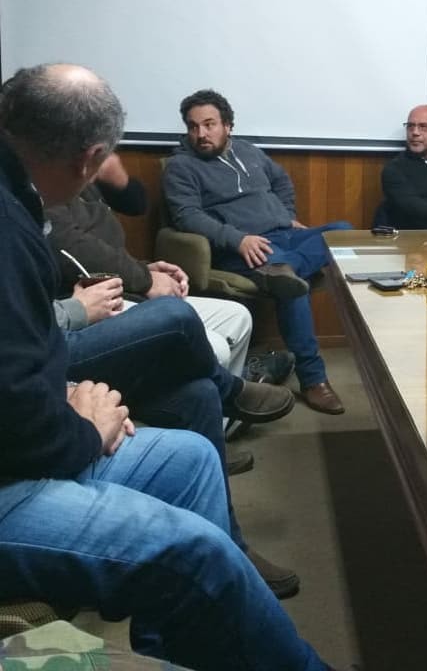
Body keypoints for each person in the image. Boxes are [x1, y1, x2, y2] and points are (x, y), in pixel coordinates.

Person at [0, 63, 339, 671]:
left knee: (193, 448)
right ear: (90, 158)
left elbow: (18, 360)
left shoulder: (20, 196)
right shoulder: (13, 226)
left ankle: (181, 645)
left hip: (40, 413)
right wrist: (85, 427)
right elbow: (18, 415)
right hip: (17, 471)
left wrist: (65, 389)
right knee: (196, 552)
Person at [54, 287, 301, 597]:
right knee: (175, 314)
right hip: (54, 350)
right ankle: (231, 390)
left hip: (57, 340)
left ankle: (228, 543)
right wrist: (74, 310)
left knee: (200, 394)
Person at [162, 89, 351, 415]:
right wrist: (238, 239)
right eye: (193, 127)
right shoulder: (181, 166)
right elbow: (187, 216)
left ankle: (286, 268)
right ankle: (314, 379)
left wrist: (287, 215)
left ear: (228, 125)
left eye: (209, 124)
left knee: (344, 233)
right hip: (242, 249)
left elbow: (281, 181)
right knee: (292, 288)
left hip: (284, 238)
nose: (201, 134)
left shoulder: (248, 151)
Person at [46, 152, 259, 380]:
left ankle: (227, 399)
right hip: (88, 299)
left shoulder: (84, 169)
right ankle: (224, 389)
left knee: (238, 317)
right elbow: (70, 248)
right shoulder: (43, 180)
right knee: (214, 347)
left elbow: (137, 205)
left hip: (124, 284)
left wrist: (144, 268)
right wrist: (145, 280)